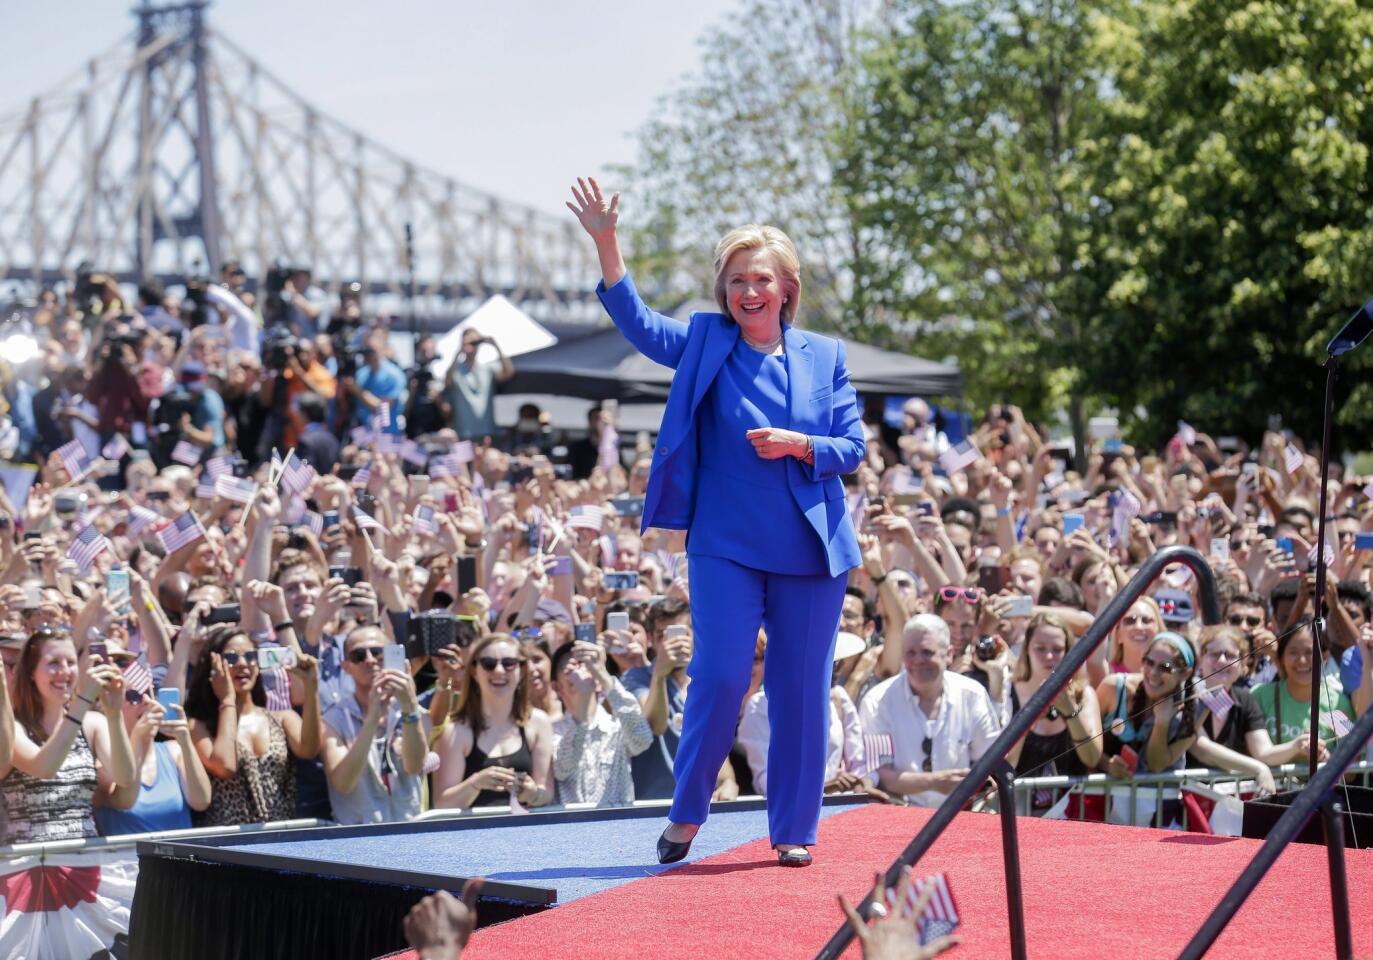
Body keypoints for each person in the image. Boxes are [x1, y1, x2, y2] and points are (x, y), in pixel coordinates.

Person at [570, 176, 864, 867]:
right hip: (724, 545)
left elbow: (851, 448)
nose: (748, 292)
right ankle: (687, 812)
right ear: (723, 291)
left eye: (760, 279)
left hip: (811, 549)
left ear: (786, 287)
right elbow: (639, 323)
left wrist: (802, 446)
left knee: (798, 692)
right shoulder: (705, 341)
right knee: (724, 675)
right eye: (736, 280)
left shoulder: (825, 356)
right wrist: (607, 243)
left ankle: (793, 829)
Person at [2, 628, 136, 843]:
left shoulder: (92, 724)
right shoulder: (13, 726)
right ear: (31, 671)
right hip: (30, 866)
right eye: (53, 663)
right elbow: (44, 768)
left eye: (71, 663)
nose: (64, 671)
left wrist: (114, 713)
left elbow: (125, 778)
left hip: (84, 864)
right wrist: (83, 700)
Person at [185, 626, 322, 826]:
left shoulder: (282, 718)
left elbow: (309, 749)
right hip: (227, 846)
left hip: (280, 840)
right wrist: (227, 700)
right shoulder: (198, 726)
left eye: (250, 656)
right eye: (231, 658)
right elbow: (225, 766)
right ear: (213, 667)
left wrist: (311, 687)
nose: (242, 664)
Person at [859, 615, 1000, 807]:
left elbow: (990, 760)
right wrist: (935, 782)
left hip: (963, 815)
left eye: (927, 652)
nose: (918, 660)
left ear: (949, 654)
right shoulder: (877, 702)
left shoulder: (972, 695)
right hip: (899, 816)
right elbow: (882, 774)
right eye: (910, 653)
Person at [320, 624, 430, 824]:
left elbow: (415, 765)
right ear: (346, 666)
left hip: (409, 834)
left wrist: (409, 706)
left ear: (392, 655)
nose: (370, 660)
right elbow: (343, 783)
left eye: (378, 652)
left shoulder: (409, 709)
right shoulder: (333, 719)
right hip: (359, 841)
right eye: (358, 656)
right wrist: (371, 720)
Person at [431, 633, 555, 810]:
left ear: (522, 671)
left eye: (509, 663)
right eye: (488, 664)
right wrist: (476, 783)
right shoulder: (456, 730)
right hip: (473, 835)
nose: (499, 671)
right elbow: (442, 804)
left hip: (526, 833)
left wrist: (532, 793)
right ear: (474, 671)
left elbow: (546, 793)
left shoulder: (539, 723)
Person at [549, 639, 651, 806]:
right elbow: (562, 769)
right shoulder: (552, 731)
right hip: (570, 829)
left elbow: (642, 740)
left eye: (585, 664)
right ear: (556, 687)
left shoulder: (618, 726)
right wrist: (582, 709)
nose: (579, 669)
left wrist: (602, 674)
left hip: (618, 827)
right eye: (570, 666)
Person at [1006, 613, 1103, 783]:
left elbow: (1092, 758)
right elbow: (1005, 765)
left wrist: (1071, 712)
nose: (1049, 656)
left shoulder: (1084, 695)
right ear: (1027, 649)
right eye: (1040, 648)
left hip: (1071, 806)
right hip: (1017, 807)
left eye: (1057, 650)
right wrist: (1028, 719)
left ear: (1068, 652)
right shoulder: (1007, 692)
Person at [1250, 619, 1357, 745]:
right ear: (1281, 657)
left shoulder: (1337, 705)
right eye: (1293, 652)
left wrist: (1326, 757)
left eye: (1309, 652)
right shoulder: (1260, 695)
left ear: (1325, 656)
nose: (1302, 660)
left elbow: (1351, 752)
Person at [444, 328, 513, 442]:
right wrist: (458, 352)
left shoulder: (487, 368)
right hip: (463, 432)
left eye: (475, 342)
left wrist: (496, 346)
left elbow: (508, 372)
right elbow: (447, 382)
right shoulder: (457, 369)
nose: (472, 346)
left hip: (486, 432)